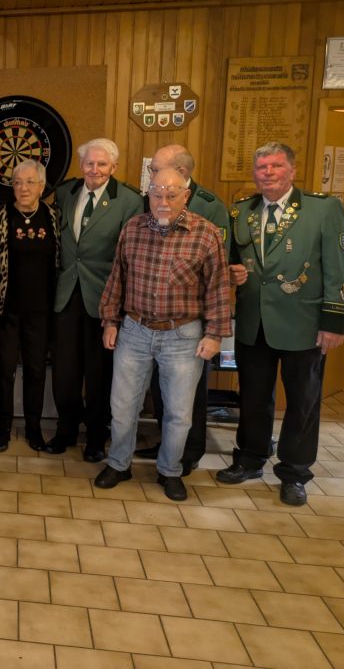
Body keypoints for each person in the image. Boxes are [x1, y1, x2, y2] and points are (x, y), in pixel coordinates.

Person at [217, 141, 344, 506]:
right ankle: (250, 457)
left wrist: (334, 322)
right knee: (254, 397)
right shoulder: (241, 212)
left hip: (304, 324)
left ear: (292, 171)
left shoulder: (323, 211)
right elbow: (231, 262)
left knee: (303, 401)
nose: (268, 173)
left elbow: (340, 270)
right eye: (261, 167)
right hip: (254, 323)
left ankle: (295, 471)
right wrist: (233, 274)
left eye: (276, 166)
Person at [94, 168, 231, 501]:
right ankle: (118, 463)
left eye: (172, 194)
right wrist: (110, 321)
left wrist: (215, 335)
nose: (164, 201)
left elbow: (218, 290)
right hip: (135, 331)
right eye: (157, 194)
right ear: (149, 195)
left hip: (182, 336)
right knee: (123, 406)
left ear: (186, 195)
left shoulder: (206, 233)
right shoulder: (133, 229)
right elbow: (117, 279)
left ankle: (170, 471)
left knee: (179, 413)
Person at [134, 144, 230, 474]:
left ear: (183, 176)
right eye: (152, 172)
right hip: (154, 319)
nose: (152, 176)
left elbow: (218, 268)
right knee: (163, 392)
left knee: (189, 397)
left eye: (156, 168)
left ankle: (188, 454)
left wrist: (213, 330)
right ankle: (168, 446)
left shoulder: (209, 208)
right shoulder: (152, 199)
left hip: (190, 324)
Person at [50, 138, 143, 461]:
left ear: (114, 167)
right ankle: (66, 429)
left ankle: (96, 436)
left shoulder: (129, 201)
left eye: (102, 164)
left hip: (104, 299)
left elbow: (130, 257)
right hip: (65, 296)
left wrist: (118, 310)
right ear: (81, 166)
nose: (95, 169)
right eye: (89, 163)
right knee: (65, 370)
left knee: (99, 372)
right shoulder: (65, 193)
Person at [0, 159, 60, 452]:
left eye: (29, 182)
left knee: (36, 370)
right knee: (3, 370)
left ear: (41, 186)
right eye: (17, 182)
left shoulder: (52, 218)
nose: (23, 188)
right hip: (5, 310)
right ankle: (2, 428)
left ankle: (34, 429)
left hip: (41, 311)